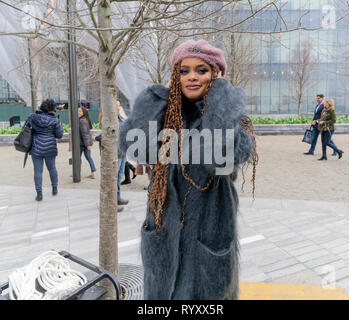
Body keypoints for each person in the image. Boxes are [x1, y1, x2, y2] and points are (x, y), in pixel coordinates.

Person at [118, 39, 257, 299]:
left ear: (216, 75)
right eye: (183, 70)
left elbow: (218, 157)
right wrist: (158, 96)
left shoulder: (231, 120)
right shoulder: (165, 115)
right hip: (162, 235)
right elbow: (134, 148)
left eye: (202, 70)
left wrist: (220, 98)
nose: (192, 76)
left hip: (207, 238)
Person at [26, 99, 63, 201]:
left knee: (38, 171)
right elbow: (59, 135)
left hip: (36, 147)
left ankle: (39, 194)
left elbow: (25, 129)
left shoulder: (33, 117)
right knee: (52, 168)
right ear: (52, 109)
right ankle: (54, 188)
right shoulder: (55, 120)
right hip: (50, 148)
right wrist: (59, 125)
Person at [117, 98, 129, 212]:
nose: (118, 108)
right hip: (115, 153)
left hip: (122, 152)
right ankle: (113, 201)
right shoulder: (110, 119)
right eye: (116, 105)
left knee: (120, 176)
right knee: (114, 178)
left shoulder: (121, 117)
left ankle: (118, 197)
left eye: (119, 106)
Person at [78, 106, 96, 179]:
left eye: (80, 111)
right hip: (85, 143)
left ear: (83, 113)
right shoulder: (84, 120)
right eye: (78, 111)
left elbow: (85, 133)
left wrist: (87, 144)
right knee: (88, 157)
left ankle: (77, 172)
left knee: (77, 158)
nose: (78, 112)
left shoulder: (82, 121)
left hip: (83, 144)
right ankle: (93, 172)